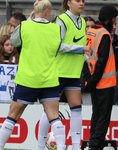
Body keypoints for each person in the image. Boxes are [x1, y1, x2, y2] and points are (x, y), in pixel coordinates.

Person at [0, 0, 66, 150]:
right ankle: (61, 148)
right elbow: (56, 50)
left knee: (13, 115)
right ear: (47, 11)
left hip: (28, 79)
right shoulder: (56, 29)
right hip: (49, 78)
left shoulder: (25, 25)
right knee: (54, 116)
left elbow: (14, 42)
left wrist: (27, 21)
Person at [38, 0, 94, 150]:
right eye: (77, 0)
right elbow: (58, 46)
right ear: (68, 3)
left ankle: (76, 146)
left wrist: (86, 58)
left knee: (76, 108)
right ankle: (40, 146)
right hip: (58, 72)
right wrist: (82, 48)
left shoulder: (82, 21)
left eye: (83, 1)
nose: (81, 3)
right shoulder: (61, 20)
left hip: (73, 72)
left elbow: (78, 45)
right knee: (50, 111)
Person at [84, 5, 117, 150]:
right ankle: (95, 147)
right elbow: (102, 62)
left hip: (93, 81)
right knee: (103, 118)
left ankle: (93, 143)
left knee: (96, 115)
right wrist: (93, 81)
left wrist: (89, 81)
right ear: (110, 19)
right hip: (104, 83)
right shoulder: (104, 34)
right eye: (114, 19)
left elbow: (86, 56)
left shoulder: (91, 31)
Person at [80, 16, 95, 105]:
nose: (89, 29)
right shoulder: (78, 42)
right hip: (78, 83)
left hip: (92, 83)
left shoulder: (97, 42)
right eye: (87, 26)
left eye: (92, 27)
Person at [111, 20, 118, 105]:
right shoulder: (99, 39)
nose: (114, 27)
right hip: (102, 81)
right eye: (112, 24)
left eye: (115, 24)